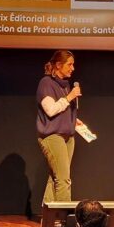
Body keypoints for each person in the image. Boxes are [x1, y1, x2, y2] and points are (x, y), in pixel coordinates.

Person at [37, 50, 82, 203]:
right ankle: (64, 215)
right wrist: (69, 97)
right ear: (58, 65)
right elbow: (50, 110)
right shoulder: (46, 83)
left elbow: (62, 110)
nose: (73, 68)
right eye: (69, 64)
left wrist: (73, 121)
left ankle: (48, 214)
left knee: (56, 177)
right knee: (63, 179)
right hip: (52, 136)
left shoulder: (65, 85)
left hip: (68, 137)